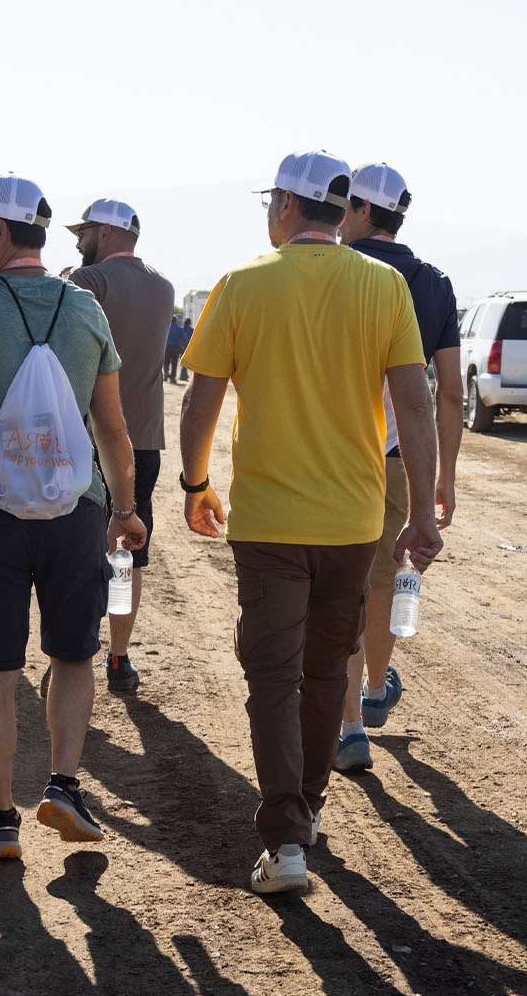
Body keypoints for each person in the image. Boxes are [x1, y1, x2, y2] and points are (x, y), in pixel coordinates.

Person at [179, 151, 442, 894]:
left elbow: (201, 402)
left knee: (271, 675)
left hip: (268, 518)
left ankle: (287, 838)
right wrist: (421, 510)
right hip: (354, 520)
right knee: (327, 670)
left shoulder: (242, 285)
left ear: (287, 209)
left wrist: (196, 481)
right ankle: (308, 810)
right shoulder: (384, 286)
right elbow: (415, 404)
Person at [0, 173, 146, 862]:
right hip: (76, 509)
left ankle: (2, 817)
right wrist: (125, 508)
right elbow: (112, 427)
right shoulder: (84, 310)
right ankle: (66, 785)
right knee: (73, 653)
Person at [332, 162, 463, 773]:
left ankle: (351, 726)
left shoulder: (335, 272)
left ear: (358, 210)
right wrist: (444, 476)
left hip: (338, 450)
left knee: (344, 586)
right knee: (386, 577)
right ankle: (376, 687)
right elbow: (450, 393)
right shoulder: (433, 283)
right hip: (400, 454)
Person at [66, 198, 175, 695]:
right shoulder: (163, 285)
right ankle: (119, 657)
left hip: (90, 435)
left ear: (105, 233)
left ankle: (74, 648)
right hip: (145, 438)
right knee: (129, 551)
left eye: (83, 231)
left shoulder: (88, 283)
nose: (78, 240)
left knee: (79, 546)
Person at [163, 315, 189, 384]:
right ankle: (172, 378)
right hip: (175, 349)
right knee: (174, 364)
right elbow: (185, 339)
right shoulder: (180, 329)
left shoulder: (165, 328)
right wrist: (183, 346)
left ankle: (165, 374)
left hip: (166, 348)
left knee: (166, 362)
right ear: (176, 321)